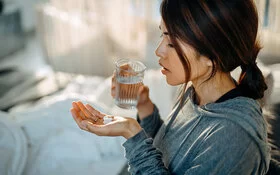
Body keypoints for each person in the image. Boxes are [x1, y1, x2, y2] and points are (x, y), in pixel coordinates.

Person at [70, 0, 271, 174]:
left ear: (212, 56)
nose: (159, 51)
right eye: (162, 36)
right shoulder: (195, 90)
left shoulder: (233, 139)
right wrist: (144, 106)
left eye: (172, 43)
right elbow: (168, 150)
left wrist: (131, 132)